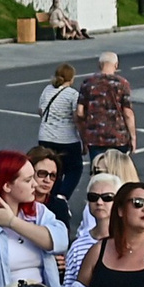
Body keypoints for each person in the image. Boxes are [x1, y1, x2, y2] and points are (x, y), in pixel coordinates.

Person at [0, 148, 67, 287]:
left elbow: (61, 241)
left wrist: (12, 222)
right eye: (28, 180)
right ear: (7, 185)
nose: (35, 184)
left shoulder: (39, 212)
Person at [35, 62, 86, 201]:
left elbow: (40, 111)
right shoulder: (72, 94)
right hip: (67, 139)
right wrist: (84, 141)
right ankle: (62, 196)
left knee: (53, 170)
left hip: (45, 136)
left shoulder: (47, 90)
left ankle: (50, 197)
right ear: (72, 78)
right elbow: (77, 119)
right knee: (74, 169)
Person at [74, 52, 136, 162]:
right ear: (116, 65)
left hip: (95, 136)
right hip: (118, 136)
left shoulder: (87, 83)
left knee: (98, 169)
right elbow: (127, 113)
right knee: (117, 171)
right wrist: (133, 137)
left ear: (99, 65)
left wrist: (84, 134)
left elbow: (79, 112)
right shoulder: (122, 83)